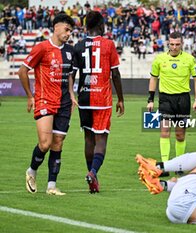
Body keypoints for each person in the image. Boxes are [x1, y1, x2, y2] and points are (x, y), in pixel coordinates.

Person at [18, 13, 75, 195]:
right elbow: (22, 71)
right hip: (44, 100)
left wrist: (72, 94)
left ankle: (51, 186)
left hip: (64, 102)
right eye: (66, 29)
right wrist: (30, 96)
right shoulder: (41, 48)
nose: (68, 34)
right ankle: (31, 171)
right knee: (45, 143)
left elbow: (69, 74)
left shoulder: (70, 51)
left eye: (71, 31)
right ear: (56, 26)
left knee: (58, 143)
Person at [70, 11, 124, 193]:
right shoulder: (108, 45)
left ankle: (92, 177)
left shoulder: (78, 46)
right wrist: (121, 99)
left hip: (84, 98)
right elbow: (115, 73)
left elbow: (72, 74)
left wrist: (71, 94)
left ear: (86, 27)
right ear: (101, 26)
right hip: (102, 99)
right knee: (101, 138)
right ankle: (93, 172)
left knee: (88, 138)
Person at [147, 31, 196, 176]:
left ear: (182, 44)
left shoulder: (190, 59)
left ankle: (179, 165)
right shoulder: (159, 59)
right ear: (168, 44)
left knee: (179, 135)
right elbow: (153, 79)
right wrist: (150, 100)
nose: (174, 47)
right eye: (172, 44)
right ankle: (164, 166)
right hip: (165, 99)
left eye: (177, 44)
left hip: (183, 100)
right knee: (164, 131)